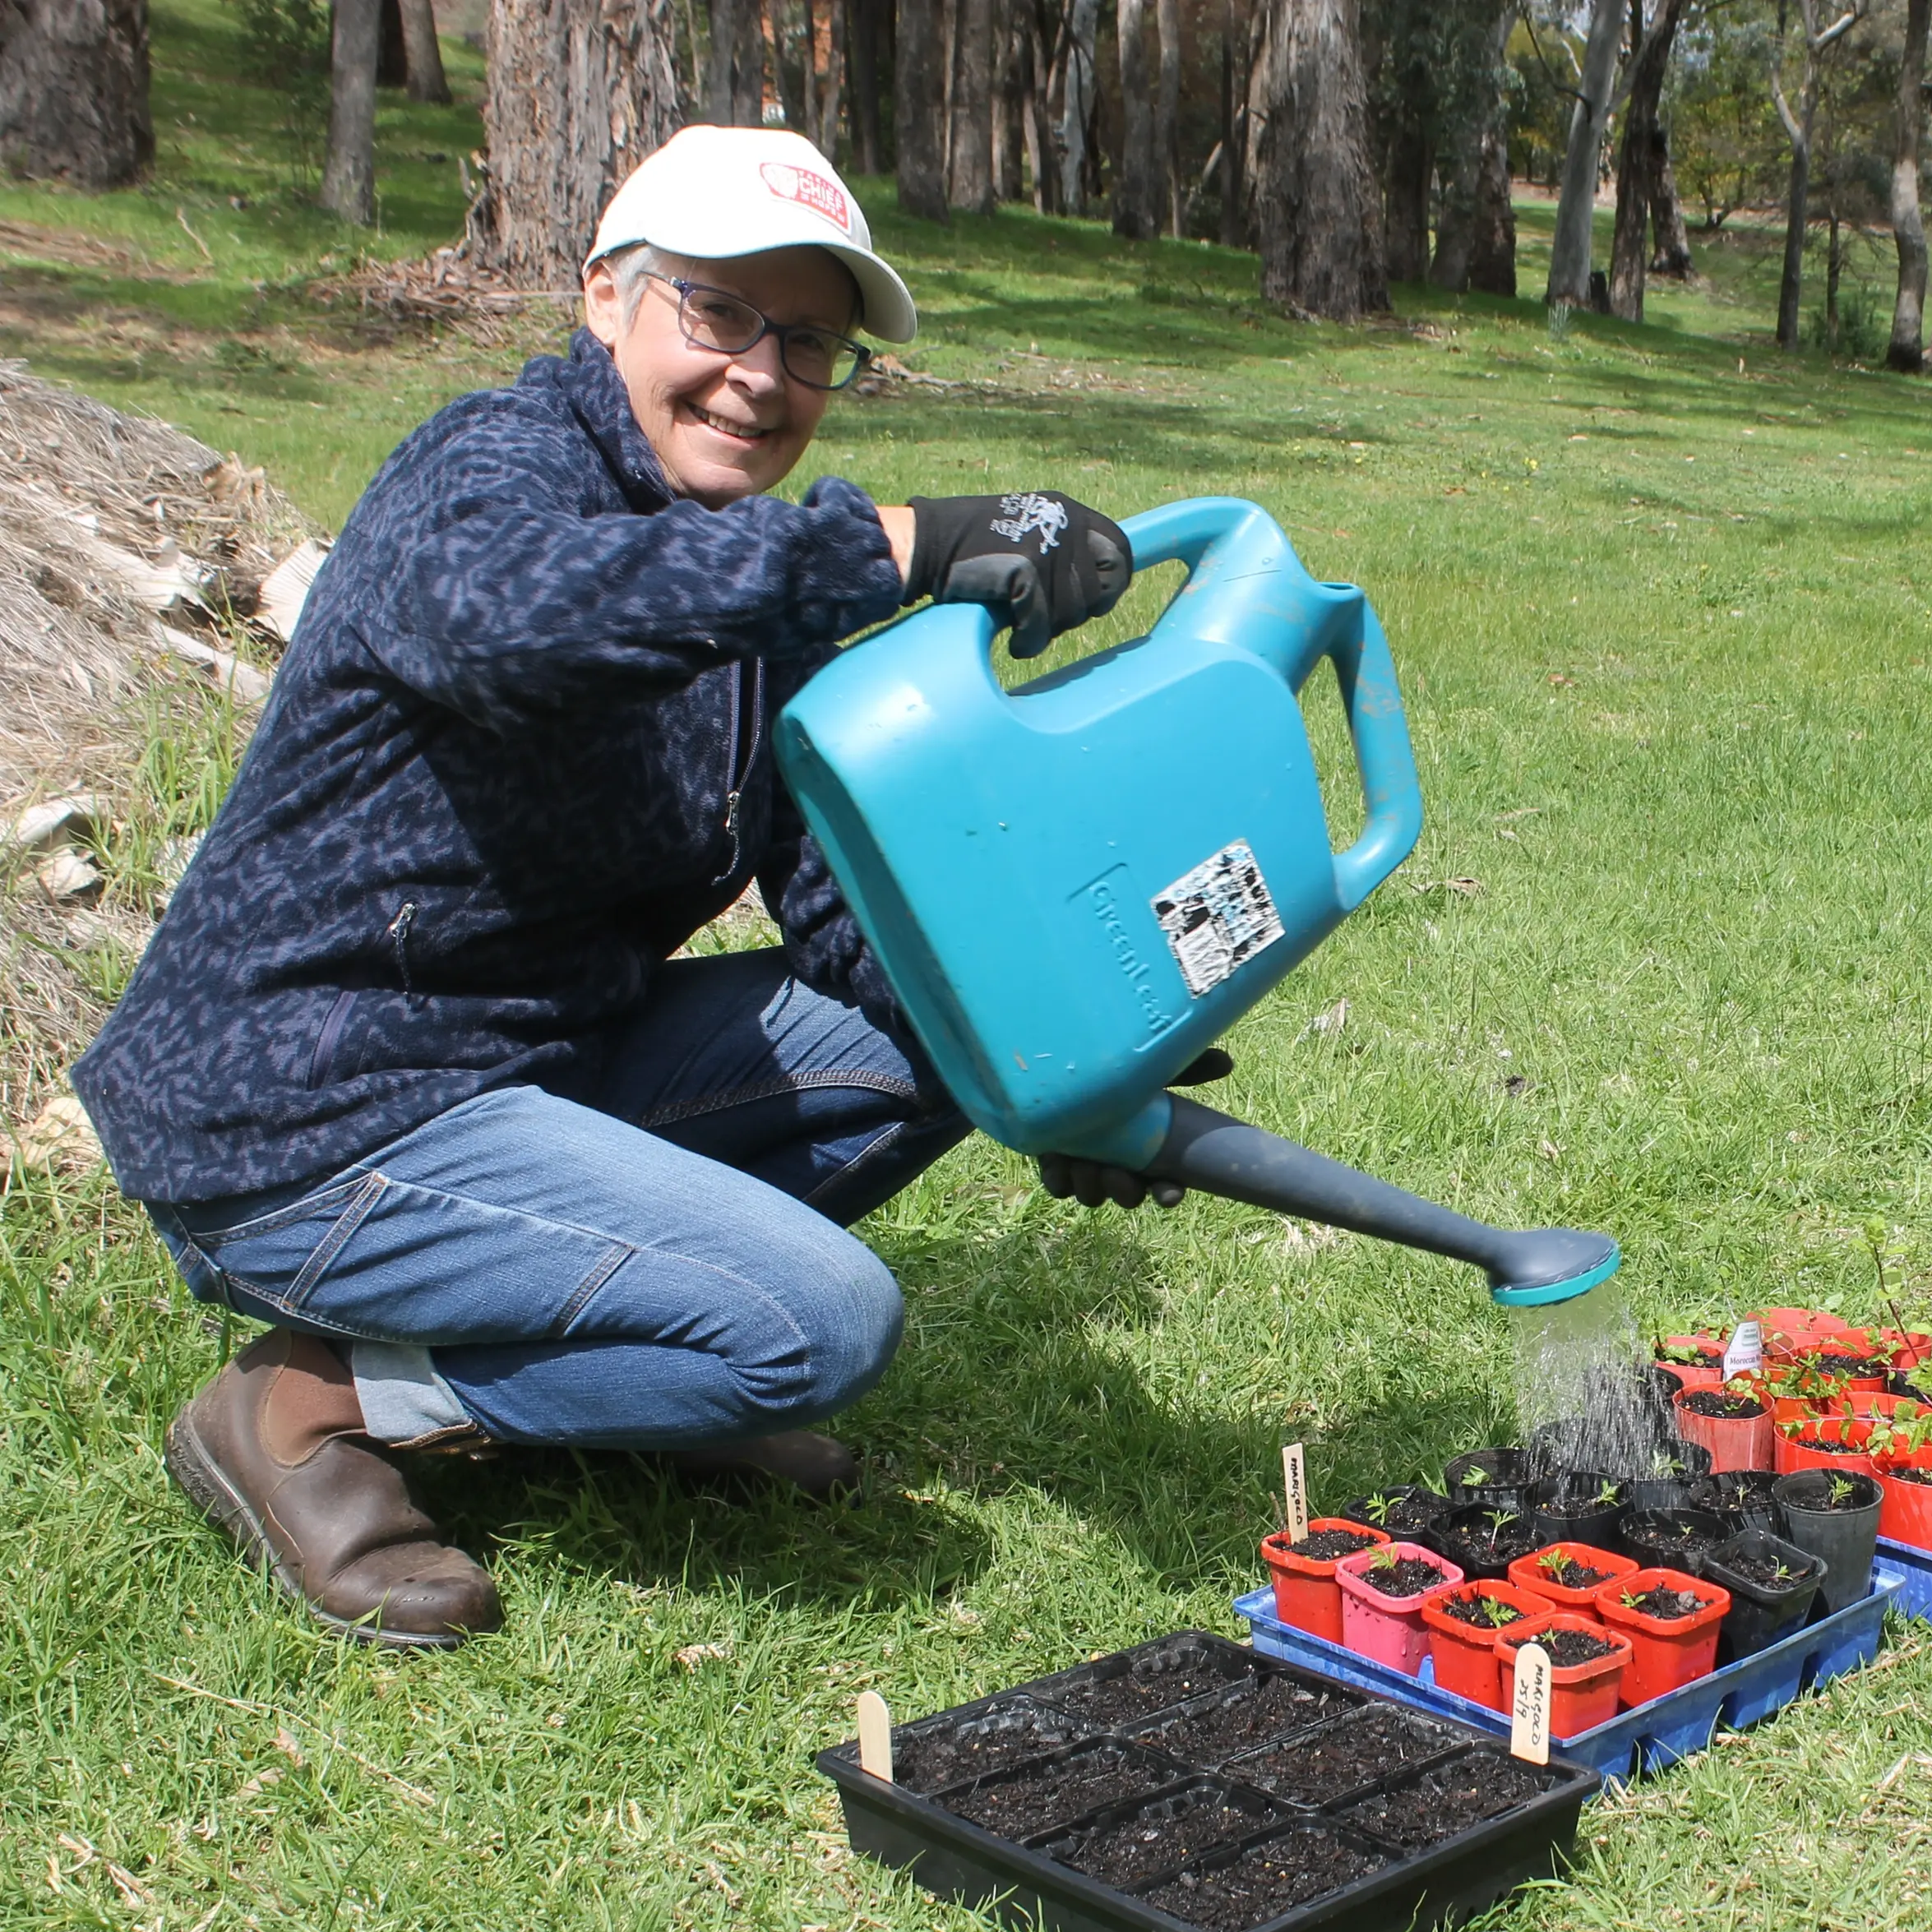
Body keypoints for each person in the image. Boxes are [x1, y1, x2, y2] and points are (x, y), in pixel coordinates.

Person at [73, 127, 1191, 1653]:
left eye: (809, 343)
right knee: (820, 1325)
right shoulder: (487, 473)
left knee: (937, 1039)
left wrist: (1059, 1067)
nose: (759, 374)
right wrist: (899, 546)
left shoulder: (752, 570)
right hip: (302, 1112)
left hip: (530, 1064)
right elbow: (512, 627)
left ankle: (639, 1356)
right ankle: (311, 1399)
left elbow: (834, 894)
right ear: (606, 297)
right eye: (719, 313)